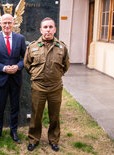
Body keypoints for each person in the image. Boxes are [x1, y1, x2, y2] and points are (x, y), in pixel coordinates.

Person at [24, 17, 70, 152]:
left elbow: (65, 65)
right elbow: (27, 64)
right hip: (38, 87)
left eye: (51, 27)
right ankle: (34, 139)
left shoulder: (61, 47)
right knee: (36, 115)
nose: (48, 30)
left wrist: (56, 75)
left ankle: (54, 139)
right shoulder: (32, 47)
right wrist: (35, 75)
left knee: (54, 115)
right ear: (41, 29)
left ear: (55, 29)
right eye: (45, 27)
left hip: (55, 87)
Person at [0, 14, 26, 144]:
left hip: (15, 78)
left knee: (15, 106)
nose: (7, 25)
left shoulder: (20, 38)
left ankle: (13, 132)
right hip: (1, 78)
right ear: (0, 23)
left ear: (13, 23)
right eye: (5, 23)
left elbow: (24, 57)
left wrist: (18, 66)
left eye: (9, 22)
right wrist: (3, 68)